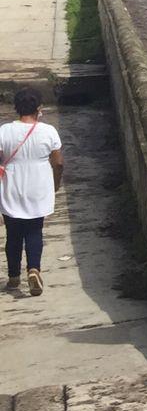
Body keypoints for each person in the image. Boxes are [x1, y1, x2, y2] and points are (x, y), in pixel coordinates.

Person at [2, 88, 63, 298]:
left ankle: (13, 277)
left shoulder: (4, 131)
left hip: (11, 186)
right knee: (34, 230)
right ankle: (34, 269)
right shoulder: (48, 131)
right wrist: (55, 184)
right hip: (38, 186)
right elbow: (59, 162)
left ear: (17, 108)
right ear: (38, 108)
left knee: (13, 233)